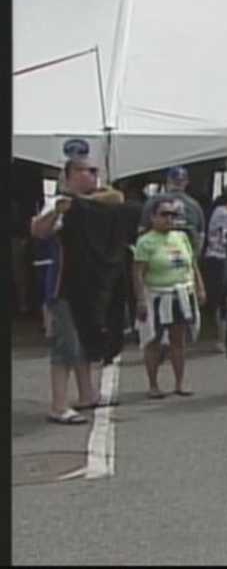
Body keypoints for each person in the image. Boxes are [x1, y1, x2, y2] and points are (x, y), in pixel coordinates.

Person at [30, 157, 104, 424]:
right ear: (71, 174)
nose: (93, 177)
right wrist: (57, 212)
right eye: (87, 171)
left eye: (96, 172)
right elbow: (37, 231)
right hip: (63, 285)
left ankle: (87, 394)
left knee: (83, 342)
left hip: (87, 286)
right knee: (64, 345)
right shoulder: (60, 203)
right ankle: (58, 405)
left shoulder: (97, 203)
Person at [133, 199, 206, 399]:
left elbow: (192, 264)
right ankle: (153, 384)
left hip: (181, 293)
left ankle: (179, 382)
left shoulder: (181, 237)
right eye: (164, 214)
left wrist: (199, 287)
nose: (169, 219)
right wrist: (140, 299)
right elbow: (138, 273)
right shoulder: (145, 241)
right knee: (153, 341)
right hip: (157, 294)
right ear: (153, 217)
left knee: (178, 340)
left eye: (173, 215)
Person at [203, 190, 227, 352]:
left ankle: (223, 337)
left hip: (213, 257)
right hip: (222, 258)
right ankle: (225, 339)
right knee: (226, 299)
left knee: (220, 300)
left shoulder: (216, 212)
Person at [140, 166, 205, 256]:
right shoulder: (195, 205)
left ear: (168, 181)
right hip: (185, 254)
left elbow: (143, 229)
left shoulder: (154, 201)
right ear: (186, 183)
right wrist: (194, 257)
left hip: (159, 254)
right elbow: (201, 236)